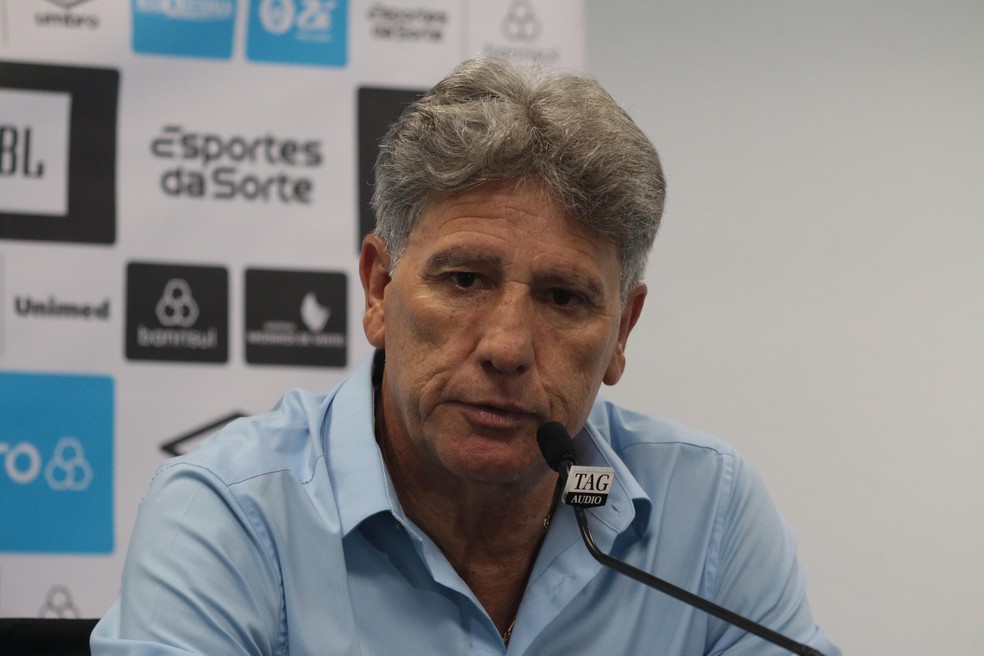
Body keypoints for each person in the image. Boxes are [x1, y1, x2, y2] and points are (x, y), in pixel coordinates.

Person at [91, 56, 840, 655]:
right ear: (380, 289)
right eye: (465, 280)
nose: (508, 348)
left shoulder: (706, 510)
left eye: (564, 299)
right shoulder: (231, 516)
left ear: (622, 334)